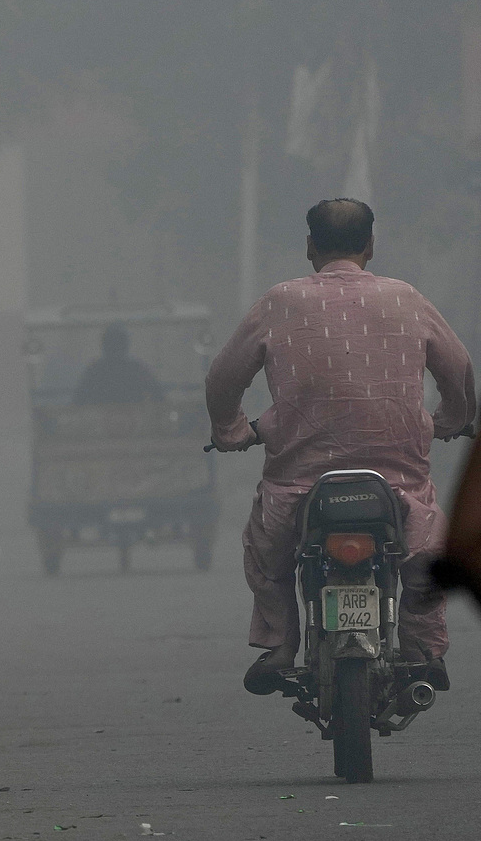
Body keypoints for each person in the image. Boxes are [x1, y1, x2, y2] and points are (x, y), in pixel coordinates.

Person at [208, 198, 474, 695]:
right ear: (370, 245)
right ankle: (421, 648)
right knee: (422, 557)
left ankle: (282, 645)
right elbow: (458, 370)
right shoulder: (408, 299)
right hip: (399, 480)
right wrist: (452, 420)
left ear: (310, 245)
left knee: (268, 558)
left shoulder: (278, 302)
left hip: (297, 482)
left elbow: (223, 380)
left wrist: (232, 431)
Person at [73, 324, 163, 406]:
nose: (115, 348)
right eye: (112, 344)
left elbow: (159, 397)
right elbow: (78, 402)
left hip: (135, 422)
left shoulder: (137, 369)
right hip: (99, 422)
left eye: (118, 344)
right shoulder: (94, 371)